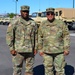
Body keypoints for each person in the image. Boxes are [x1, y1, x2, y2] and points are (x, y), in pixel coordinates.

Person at [37, 8, 70, 75]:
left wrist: (66, 48)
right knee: (48, 71)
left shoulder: (61, 23)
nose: (50, 15)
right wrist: (40, 49)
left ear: (54, 14)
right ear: (46, 15)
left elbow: (66, 36)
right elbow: (39, 37)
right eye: (48, 14)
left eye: (52, 13)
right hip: (47, 52)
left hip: (59, 51)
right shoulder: (43, 24)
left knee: (60, 70)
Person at [6, 5, 37, 75]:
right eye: (24, 11)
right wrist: (11, 48)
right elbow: (9, 35)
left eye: (27, 12)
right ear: (20, 12)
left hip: (30, 50)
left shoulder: (33, 23)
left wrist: (35, 48)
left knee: (29, 70)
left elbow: (36, 36)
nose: (25, 13)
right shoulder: (15, 22)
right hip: (18, 50)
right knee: (17, 69)